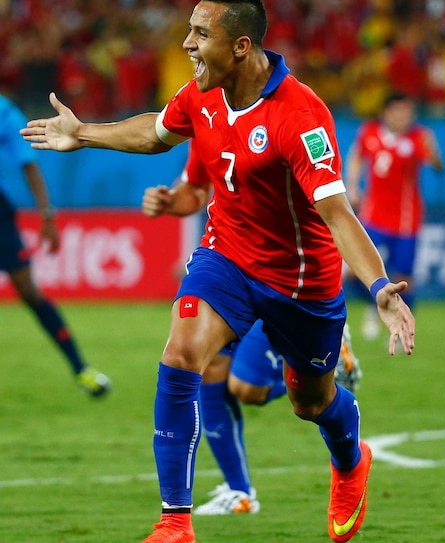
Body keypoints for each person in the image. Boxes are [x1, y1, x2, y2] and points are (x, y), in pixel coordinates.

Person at [23, 0, 414, 543]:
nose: (186, 43)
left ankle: (350, 458)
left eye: (200, 34)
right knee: (182, 354)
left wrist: (378, 285)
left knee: (311, 402)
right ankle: (175, 522)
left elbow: (337, 213)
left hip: (299, 280)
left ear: (240, 47)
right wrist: (82, 133)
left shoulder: (300, 117)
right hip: (226, 257)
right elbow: (157, 132)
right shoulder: (204, 92)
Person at [141, 148, 362, 516]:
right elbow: (194, 190)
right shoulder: (208, 113)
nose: (199, 85)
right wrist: (168, 201)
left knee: (255, 391)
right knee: (204, 366)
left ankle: (326, 363)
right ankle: (239, 492)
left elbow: (332, 209)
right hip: (231, 271)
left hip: (284, 284)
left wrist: (374, 282)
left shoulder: (288, 122)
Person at [0, 92, 111, 398]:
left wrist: (47, 215)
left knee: (29, 292)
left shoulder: (3, 110)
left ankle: (80, 368)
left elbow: (28, 163)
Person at [345, 92, 443, 340]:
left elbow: (438, 166)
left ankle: (405, 328)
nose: (404, 117)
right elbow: (357, 156)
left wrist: (435, 154)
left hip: (405, 221)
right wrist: (354, 186)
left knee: (403, 279)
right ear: (385, 113)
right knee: (353, 272)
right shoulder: (369, 132)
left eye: (408, 112)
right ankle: (375, 303)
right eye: (399, 112)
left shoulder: (419, 137)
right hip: (373, 216)